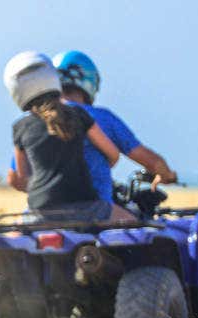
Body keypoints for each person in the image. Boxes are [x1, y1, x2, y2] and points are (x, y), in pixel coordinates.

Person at [51, 51, 178, 220]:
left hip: (43, 210)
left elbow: (17, 179)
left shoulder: (34, 120)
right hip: (93, 209)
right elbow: (151, 161)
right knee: (142, 231)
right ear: (90, 82)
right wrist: (167, 175)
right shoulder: (100, 118)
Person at [3, 51, 122, 222]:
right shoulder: (78, 114)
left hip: (40, 212)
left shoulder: (20, 127)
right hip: (87, 208)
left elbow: (20, 179)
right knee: (135, 224)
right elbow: (112, 154)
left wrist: (44, 188)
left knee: (16, 236)